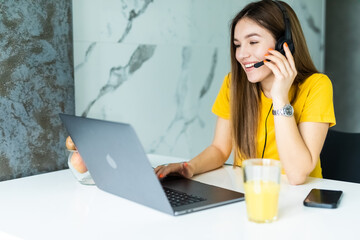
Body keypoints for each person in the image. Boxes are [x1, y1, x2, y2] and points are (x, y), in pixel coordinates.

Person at [155, 0, 336, 185]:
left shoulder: (316, 86)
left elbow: (297, 175)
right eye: (238, 45)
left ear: (284, 44)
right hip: (247, 194)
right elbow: (219, 148)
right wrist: (189, 167)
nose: (241, 54)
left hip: (300, 199)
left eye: (253, 42)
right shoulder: (233, 84)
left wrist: (280, 98)